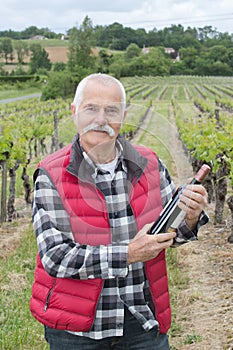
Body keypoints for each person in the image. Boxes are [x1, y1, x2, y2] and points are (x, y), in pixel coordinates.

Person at [30, 73, 208, 350]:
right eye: (91, 108)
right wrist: (129, 254)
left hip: (141, 319)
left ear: (123, 116)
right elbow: (56, 258)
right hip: (76, 329)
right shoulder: (50, 173)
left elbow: (167, 234)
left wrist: (190, 216)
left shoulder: (149, 163)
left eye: (111, 110)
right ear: (74, 111)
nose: (101, 119)